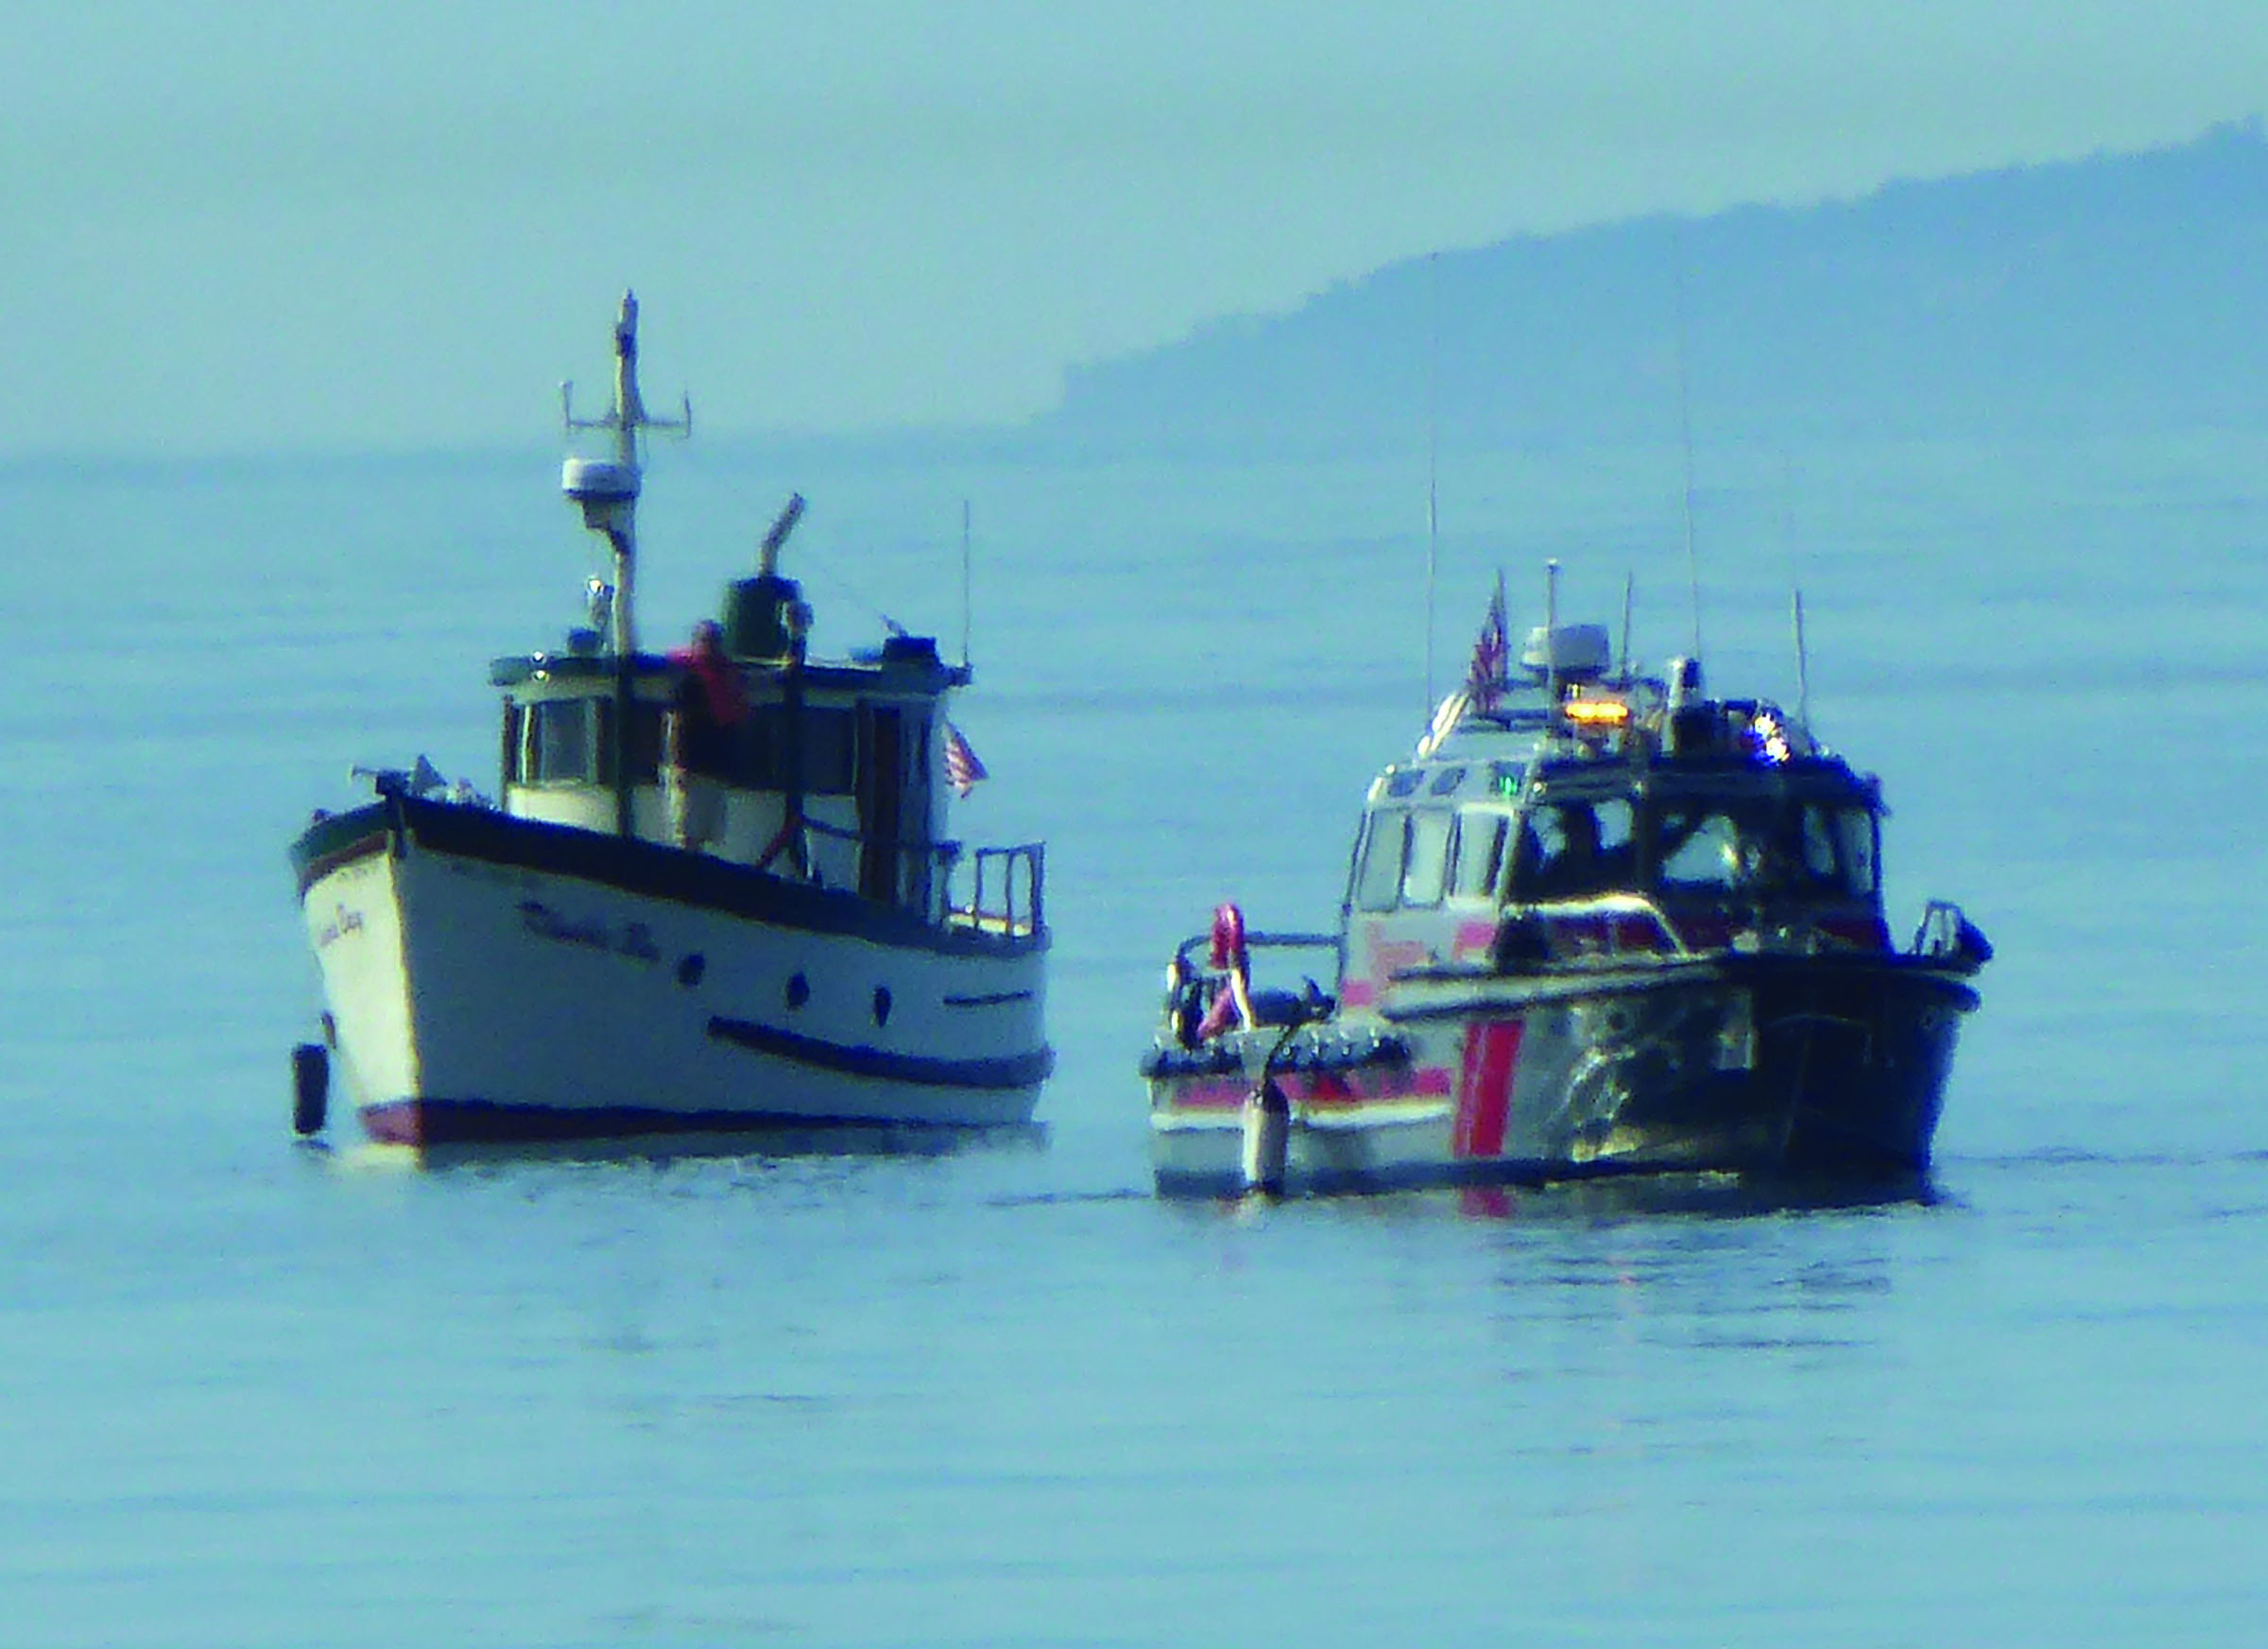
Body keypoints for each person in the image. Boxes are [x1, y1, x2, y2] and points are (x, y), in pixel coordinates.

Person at [664, 619, 746, 851]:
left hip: (716, 769)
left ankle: (699, 875)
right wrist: (678, 765)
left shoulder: (727, 677)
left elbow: (750, 685)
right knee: (687, 831)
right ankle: (686, 876)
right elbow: (676, 723)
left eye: (715, 641)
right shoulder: (687, 679)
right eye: (705, 640)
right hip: (691, 768)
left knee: (709, 830)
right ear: (695, 643)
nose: (711, 646)